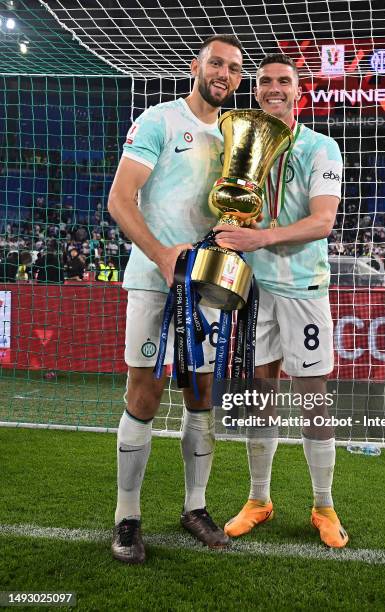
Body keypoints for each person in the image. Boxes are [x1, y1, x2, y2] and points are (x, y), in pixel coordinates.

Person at [107, 34, 243, 563]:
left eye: (233, 68)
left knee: (202, 390)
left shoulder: (238, 136)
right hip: (152, 275)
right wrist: (164, 256)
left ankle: (195, 506)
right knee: (144, 390)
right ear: (196, 66)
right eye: (216, 63)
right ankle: (126, 517)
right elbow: (120, 200)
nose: (224, 74)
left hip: (208, 282)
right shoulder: (159, 120)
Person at [215, 53, 348, 548]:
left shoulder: (321, 147)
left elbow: (321, 223)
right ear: (256, 92)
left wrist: (259, 238)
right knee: (260, 397)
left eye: (284, 81)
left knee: (313, 398)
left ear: (298, 92)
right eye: (266, 80)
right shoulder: (240, 148)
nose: (274, 87)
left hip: (303, 291)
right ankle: (259, 499)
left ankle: (323, 505)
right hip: (253, 290)